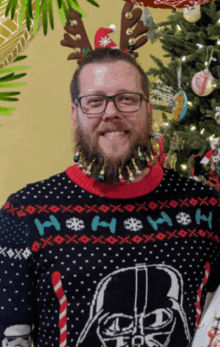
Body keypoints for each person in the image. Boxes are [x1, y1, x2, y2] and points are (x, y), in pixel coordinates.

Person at [0, 47, 219, 347]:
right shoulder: (26, 213)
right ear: (75, 114)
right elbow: (9, 332)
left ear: (149, 110)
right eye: (95, 101)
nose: (111, 112)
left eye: (127, 99)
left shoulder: (205, 209)